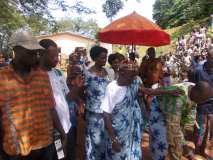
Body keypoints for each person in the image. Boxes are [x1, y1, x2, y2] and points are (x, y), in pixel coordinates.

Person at [0, 30, 66, 160]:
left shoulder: (42, 76)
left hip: (46, 145)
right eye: (30, 52)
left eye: (36, 52)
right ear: (16, 50)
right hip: (16, 149)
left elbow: (51, 107)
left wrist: (63, 133)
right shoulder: (2, 78)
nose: (35, 56)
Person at [39, 39, 71, 160]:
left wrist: (77, 88)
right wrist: (61, 131)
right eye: (53, 56)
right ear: (41, 54)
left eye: (57, 55)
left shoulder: (58, 73)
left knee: (62, 155)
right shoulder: (37, 76)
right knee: (56, 156)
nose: (57, 59)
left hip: (65, 126)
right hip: (52, 130)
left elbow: (66, 97)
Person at [84, 45, 110, 160]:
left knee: (105, 140)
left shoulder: (108, 73)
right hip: (94, 115)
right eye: (102, 58)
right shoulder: (87, 74)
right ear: (94, 58)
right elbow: (81, 92)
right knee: (95, 141)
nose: (105, 60)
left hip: (107, 114)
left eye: (106, 57)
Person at [189, 45, 213, 157]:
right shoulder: (198, 71)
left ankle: (203, 150)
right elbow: (192, 88)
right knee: (200, 129)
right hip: (201, 105)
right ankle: (197, 149)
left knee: (208, 130)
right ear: (207, 57)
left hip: (212, 105)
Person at [66, 65, 85, 160]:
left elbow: (80, 98)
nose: (76, 75)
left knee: (73, 146)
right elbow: (68, 98)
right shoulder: (65, 85)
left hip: (74, 123)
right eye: (73, 73)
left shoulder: (79, 85)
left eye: (78, 73)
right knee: (63, 150)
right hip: (65, 124)